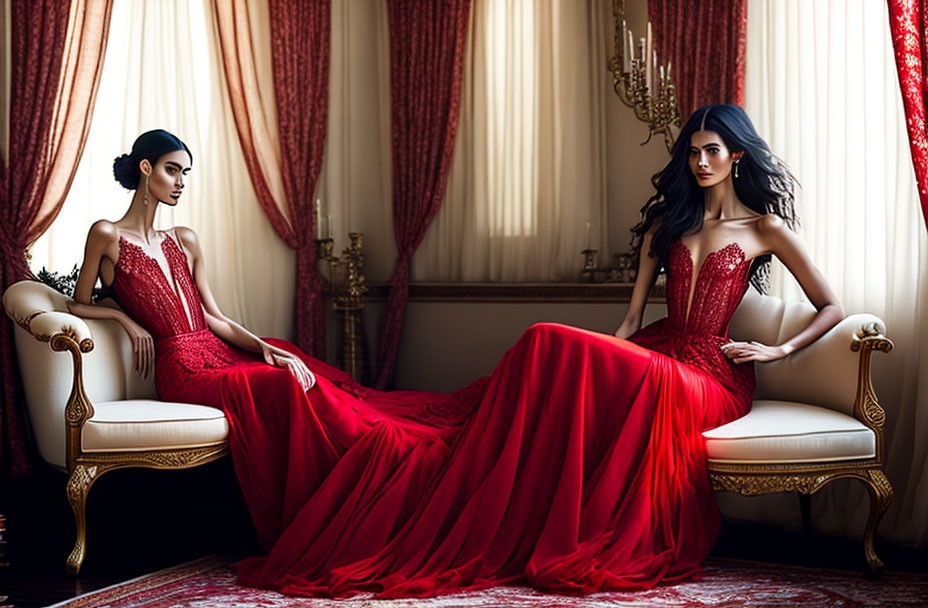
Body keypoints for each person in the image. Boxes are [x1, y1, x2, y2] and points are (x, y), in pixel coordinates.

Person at [68, 109, 841, 599]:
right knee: (556, 349)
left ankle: (513, 442)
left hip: (712, 374)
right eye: (694, 151)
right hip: (658, 353)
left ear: (738, 157)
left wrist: (773, 348)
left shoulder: (766, 231)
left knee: (546, 343)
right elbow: (630, 325)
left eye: (712, 151)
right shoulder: (668, 232)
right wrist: (607, 352)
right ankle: (511, 455)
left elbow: (830, 307)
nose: (699, 161)